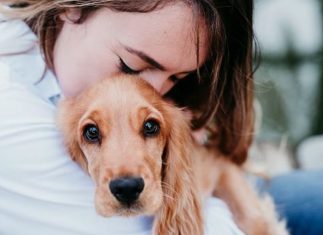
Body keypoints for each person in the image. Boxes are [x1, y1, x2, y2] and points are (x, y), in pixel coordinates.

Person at [0, 0, 254, 234]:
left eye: (176, 78)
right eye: (130, 67)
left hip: (231, 183)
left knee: (294, 192)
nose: (153, 94)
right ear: (72, 6)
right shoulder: (11, 113)